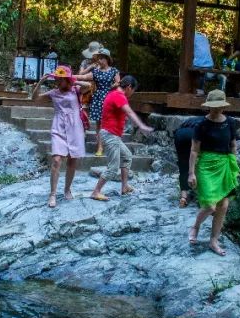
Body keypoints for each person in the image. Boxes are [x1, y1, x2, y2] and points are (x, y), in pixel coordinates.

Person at [188, 89, 240, 256]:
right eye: (213, 107)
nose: (217, 110)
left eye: (219, 107)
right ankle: (196, 226)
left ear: (224, 106)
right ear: (208, 107)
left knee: (223, 205)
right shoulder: (201, 125)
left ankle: (213, 241)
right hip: (205, 166)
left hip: (224, 164)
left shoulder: (230, 122)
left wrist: (233, 166)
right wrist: (191, 173)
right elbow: (194, 150)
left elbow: (233, 145)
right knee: (210, 205)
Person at [31, 65, 90, 208]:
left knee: (72, 160)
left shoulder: (76, 90)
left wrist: (73, 80)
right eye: (56, 78)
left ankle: (67, 189)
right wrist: (40, 82)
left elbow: (88, 85)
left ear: (66, 79)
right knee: (57, 160)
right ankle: (52, 194)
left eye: (60, 79)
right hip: (58, 127)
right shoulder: (53, 92)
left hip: (75, 127)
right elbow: (35, 99)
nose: (57, 81)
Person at [90, 75, 153, 201]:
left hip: (112, 135)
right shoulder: (118, 96)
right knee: (113, 168)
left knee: (127, 156)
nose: (132, 93)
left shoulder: (113, 94)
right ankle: (96, 192)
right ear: (129, 87)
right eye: (133, 90)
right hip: (110, 134)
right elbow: (129, 112)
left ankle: (124, 187)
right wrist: (141, 126)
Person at [75, 48, 119, 157]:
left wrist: (112, 86)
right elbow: (83, 76)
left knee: (109, 123)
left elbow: (118, 82)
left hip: (110, 98)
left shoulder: (114, 71)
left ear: (107, 59)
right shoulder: (96, 71)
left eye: (102, 58)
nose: (99, 60)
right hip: (98, 98)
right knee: (99, 124)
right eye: (99, 58)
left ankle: (109, 146)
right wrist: (70, 77)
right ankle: (99, 147)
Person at [173, 116, 204, 207]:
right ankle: (201, 195)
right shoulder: (208, 121)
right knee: (200, 163)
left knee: (183, 166)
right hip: (193, 135)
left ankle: (183, 197)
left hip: (179, 134)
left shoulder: (191, 120)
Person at [193, 30, 215, 96]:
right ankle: (201, 90)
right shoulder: (205, 37)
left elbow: (189, 53)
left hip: (199, 65)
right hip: (210, 64)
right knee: (201, 72)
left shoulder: (191, 37)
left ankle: (196, 90)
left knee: (186, 69)